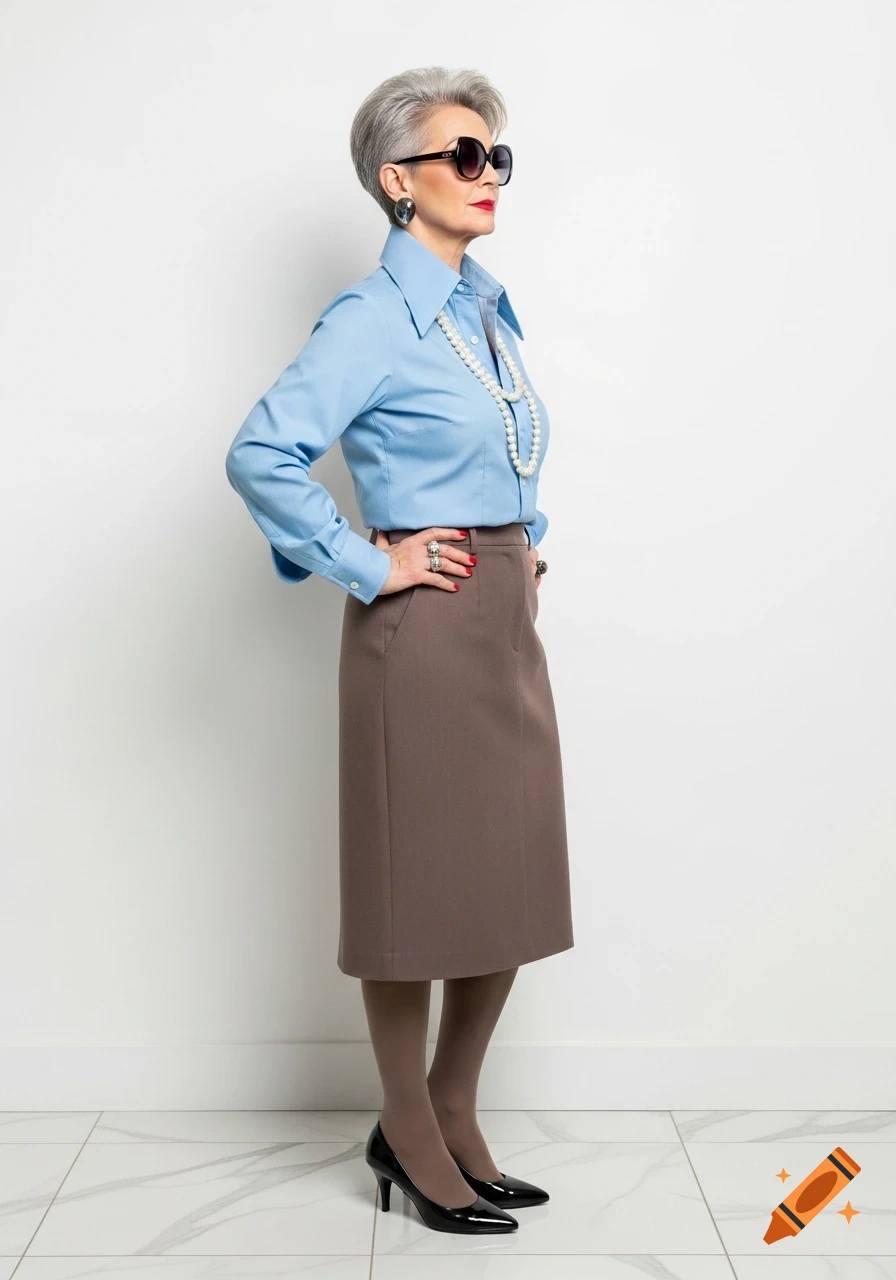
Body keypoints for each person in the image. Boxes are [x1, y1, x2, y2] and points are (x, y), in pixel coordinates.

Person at [225, 65, 574, 1235]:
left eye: (495, 157)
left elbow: (508, 449)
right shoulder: (370, 319)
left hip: (499, 617)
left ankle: (451, 1107)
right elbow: (261, 453)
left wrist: (526, 543)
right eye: (461, 155)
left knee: (509, 872)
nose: (487, 177)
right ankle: (408, 1135)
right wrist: (372, 564)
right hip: (416, 633)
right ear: (396, 179)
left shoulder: (484, 306)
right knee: (414, 891)